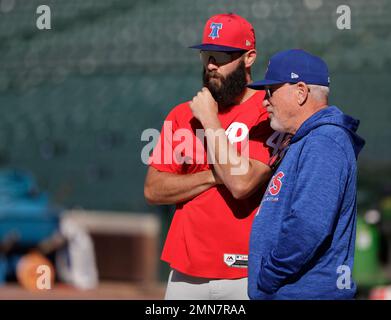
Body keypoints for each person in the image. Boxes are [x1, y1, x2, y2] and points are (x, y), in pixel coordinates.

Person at [144, 13, 286, 300]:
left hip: (244, 270)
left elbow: (242, 184)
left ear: (249, 58)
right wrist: (213, 174)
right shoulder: (183, 114)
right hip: (186, 271)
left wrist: (210, 121)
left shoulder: (267, 111)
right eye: (206, 55)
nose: (211, 65)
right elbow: (154, 189)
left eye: (221, 57)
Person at [247, 49, 366, 299]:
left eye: (271, 91)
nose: (264, 101)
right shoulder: (307, 140)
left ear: (300, 92)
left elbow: (307, 226)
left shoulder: (324, 141)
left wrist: (268, 277)